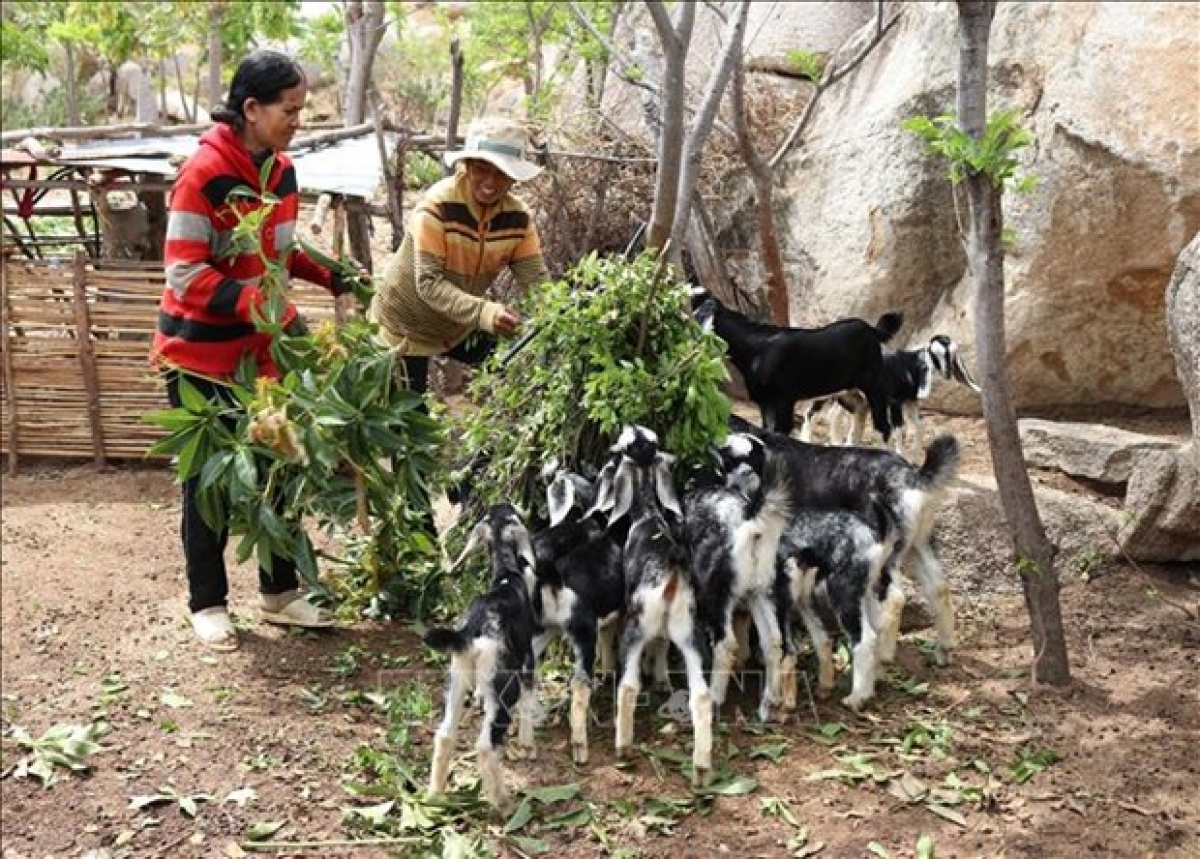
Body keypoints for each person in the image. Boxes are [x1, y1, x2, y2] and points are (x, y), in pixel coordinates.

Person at [151, 49, 354, 651]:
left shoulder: (281, 172)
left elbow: (282, 253)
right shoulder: (205, 174)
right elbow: (185, 273)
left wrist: (332, 274)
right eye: (289, 109)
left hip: (261, 358)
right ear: (250, 109)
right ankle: (208, 602)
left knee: (278, 469)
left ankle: (281, 594)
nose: (298, 119)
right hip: (200, 357)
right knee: (208, 483)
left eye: (300, 108)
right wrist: (261, 306)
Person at [369, 116, 550, 395]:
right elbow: (428, 283)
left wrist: (554, 314)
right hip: (405, 325)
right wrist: (485, 312)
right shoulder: (438, 206)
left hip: (457, 326)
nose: (490, 182)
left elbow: (536, 281)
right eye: (482, 169)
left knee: (515, 359)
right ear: (466, 166)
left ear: (514, 176)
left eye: (501, 173)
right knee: (409, 422)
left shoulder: (518, 219)